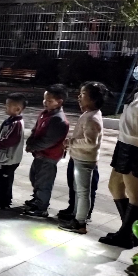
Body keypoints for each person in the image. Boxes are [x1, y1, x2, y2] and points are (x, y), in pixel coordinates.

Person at [102, 52, 138, 248]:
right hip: (124, 145)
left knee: (135, 194)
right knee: (114, 186)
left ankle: (126, 235)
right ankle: (129, 231)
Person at [58, 82, 107, 233]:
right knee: (79, 190)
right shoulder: (89, 114)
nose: (79, 97)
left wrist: (71, 142)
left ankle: (80, 223)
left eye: (83, 94)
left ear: (94, 99)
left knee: (83, 192)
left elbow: (91, 142)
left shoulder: (92, 118)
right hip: (79, 158)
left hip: (84, 160)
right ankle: (75, 215)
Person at [21, 84, 70, 217]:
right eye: (45, 99)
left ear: (59, 102)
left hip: (49, 157)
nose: (45, 102)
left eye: (49, 100)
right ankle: (37, 199)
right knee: (35, 177)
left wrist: (33, 146)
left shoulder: (59, 120)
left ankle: (41, 207)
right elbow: (35, 129)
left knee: (44, 182)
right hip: (39, 154)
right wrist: (31, 141)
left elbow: (49, 141)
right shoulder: (45, 113)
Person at [0, 93, 27, 210]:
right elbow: (3, 135)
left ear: (18, 109)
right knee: (2, 179)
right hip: (5, 157)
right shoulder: (10, 121)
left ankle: (3, 201)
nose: (5, 107)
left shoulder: (16, 124)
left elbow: (10, 140)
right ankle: (2, 197)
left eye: (8, 106)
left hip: (9, 158)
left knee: (4, 180)